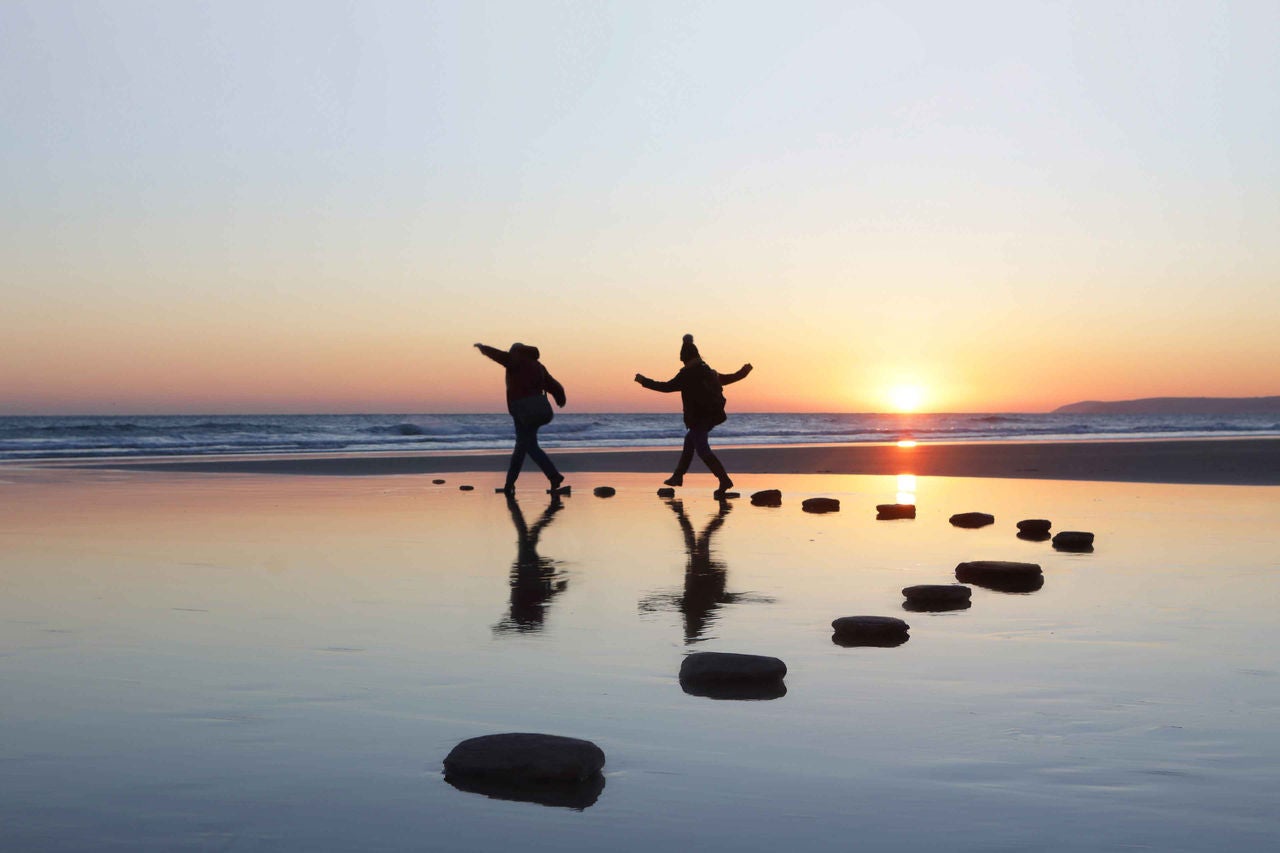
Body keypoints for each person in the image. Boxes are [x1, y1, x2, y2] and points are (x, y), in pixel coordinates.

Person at [634, 334, 752, 493]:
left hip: (699, 418)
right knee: (690, 441)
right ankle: (678, 476)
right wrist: (743, 372)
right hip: (711, 416)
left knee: (702, 449)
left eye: (682, 358)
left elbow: (666, 387)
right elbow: (727, 379)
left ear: (685, 358)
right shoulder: (707, 370)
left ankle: (724, 480)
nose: (681, 360)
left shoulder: (687, 374)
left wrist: (644, 381)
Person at [475, 342, 567, 493]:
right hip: (539, 411)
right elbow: (555, 386)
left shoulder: (517, 361)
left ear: (517, 352)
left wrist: (483, 348)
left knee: (528, 446)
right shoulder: (538, 366)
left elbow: (499, 356)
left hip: (523, 412)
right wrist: (560, 398)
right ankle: (509, 485)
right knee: (521, 447)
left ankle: (554, 476)